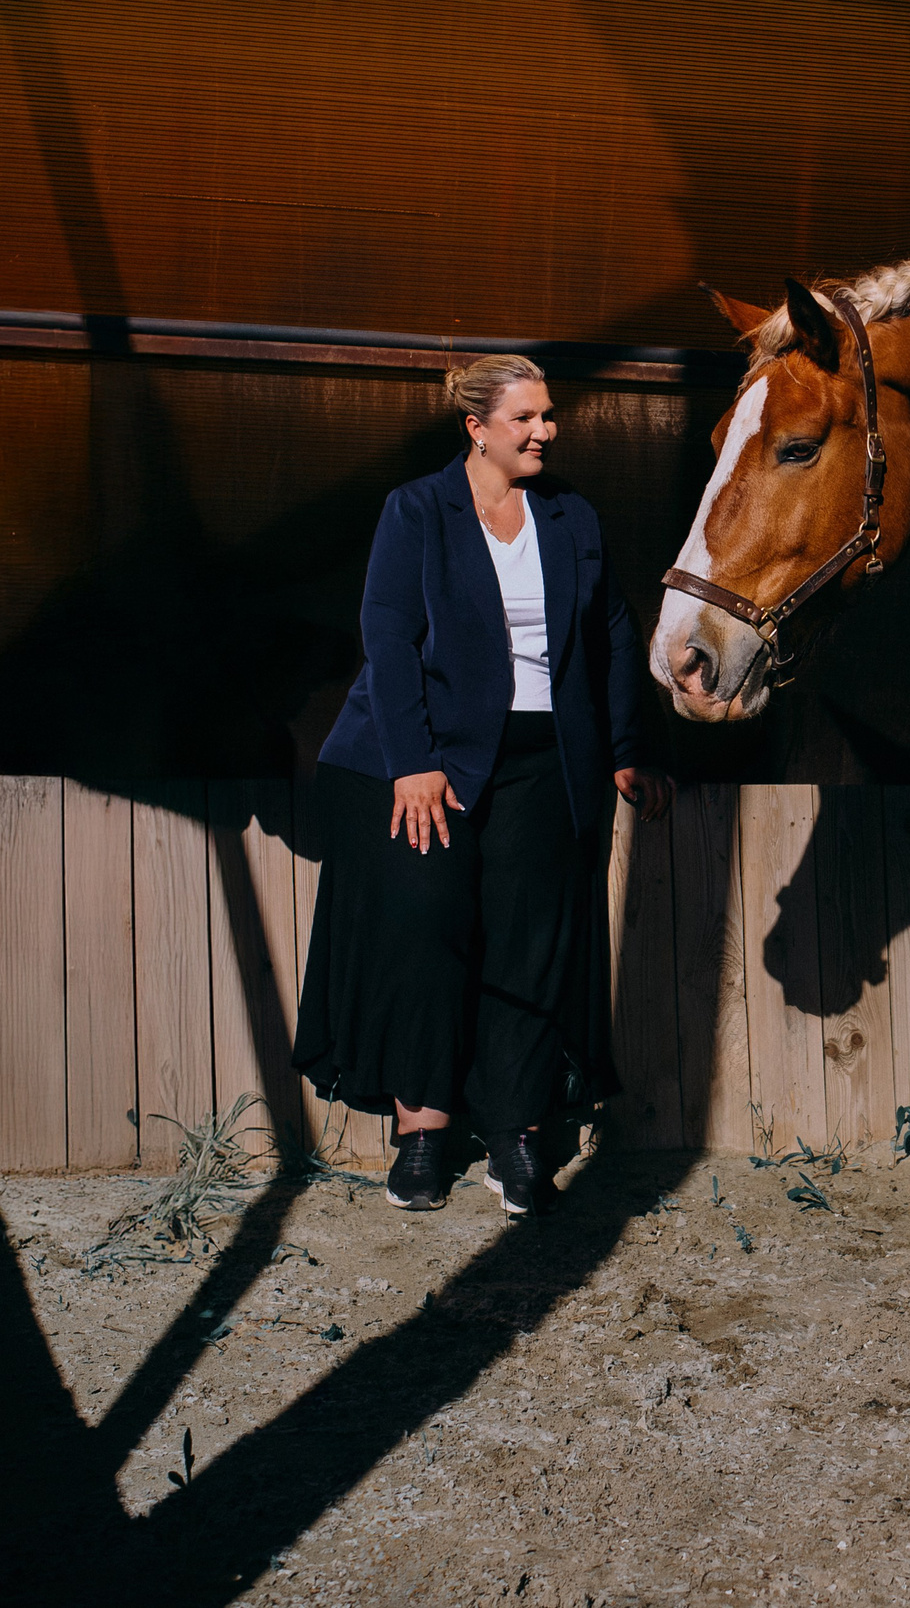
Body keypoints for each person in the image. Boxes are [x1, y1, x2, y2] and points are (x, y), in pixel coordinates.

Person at [295, 354, 673, 1215]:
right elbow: (387, 638)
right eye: (526, 418)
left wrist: (623, 745)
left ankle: (515, 1132)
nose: (546, 431)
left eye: (549, 416)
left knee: (527, 940)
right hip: (428, 759)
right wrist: (413, 762)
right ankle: (423, 1135)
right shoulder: (417, 510)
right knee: (427, 929)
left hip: (547, 758)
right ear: (476, 428)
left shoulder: (571, 515)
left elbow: (611, 633)